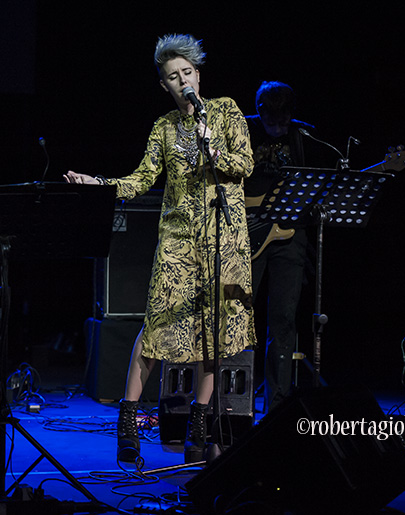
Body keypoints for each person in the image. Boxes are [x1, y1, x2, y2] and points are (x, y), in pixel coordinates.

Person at [65, 34, 255, 463]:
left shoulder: (225, 111)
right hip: (178, 241)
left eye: (187, 72)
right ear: (164, 85)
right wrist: (101, 186)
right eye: (173, 76)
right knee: (156, 328)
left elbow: (244, 164)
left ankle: (201, 421)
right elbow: (141, 179)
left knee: (217, 335)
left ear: (198, 75)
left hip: (225, 238)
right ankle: (129, 420)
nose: (182, 80)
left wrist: (213, 143)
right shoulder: (164, 127)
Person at [243, 81, 315, 412]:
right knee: (239, 317)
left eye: (283, 122)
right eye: (272, 123)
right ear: (260, 113)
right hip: (248, 233)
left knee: (284, 320)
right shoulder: (242, 129)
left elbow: (320, 181)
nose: (278, 129)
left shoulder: (303, 136)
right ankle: (234, 401)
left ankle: (278, 406)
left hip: (290, 236)